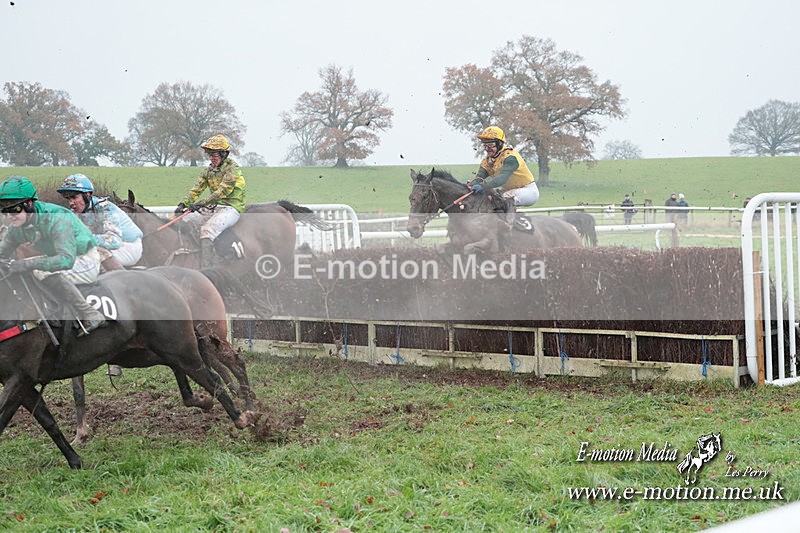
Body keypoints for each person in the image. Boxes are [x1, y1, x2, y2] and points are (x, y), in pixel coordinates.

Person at [0, 176, 106, 335]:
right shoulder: (16, 227)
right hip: (59, 258)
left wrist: (26, 264)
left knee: (36, 269)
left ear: (29, 204)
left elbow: (65, 260)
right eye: (4, 210)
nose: (9, 216)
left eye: (14, 209)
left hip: (83, 259)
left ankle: (91, 313)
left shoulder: (56, 218)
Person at [175, 134, 246, 268]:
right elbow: (197, 189)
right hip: (214, 207)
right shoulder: (208, 171)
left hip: (231, 208)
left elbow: (222, 192)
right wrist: (183, 203)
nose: (211, 158)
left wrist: (203, 203)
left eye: (214, 155)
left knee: (206, 230)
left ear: (223, 154)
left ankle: (207, 268)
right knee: (184, 220)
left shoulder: (233, 169)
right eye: (210, 155)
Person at [57, 173, 143, 271]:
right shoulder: (76, 212)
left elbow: (114, 241)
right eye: (68, 199)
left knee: (92, 253)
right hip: (111, 248)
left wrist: (83, 239)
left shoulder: (106, 208)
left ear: (87, 194)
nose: (71, 203)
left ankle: (124, 279)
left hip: (128, 246)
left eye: (74, 197)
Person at [469, 126, 539, 219]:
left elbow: (502, 178)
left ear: (500, 144)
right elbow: (479, 178)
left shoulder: (510, 157)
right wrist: (468, 186)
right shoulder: (487, 161)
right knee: (489, 199)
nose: (487, 148)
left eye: (490, 145)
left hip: (528, 191)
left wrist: (483, 186)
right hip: (510, 191)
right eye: (485, 145)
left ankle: (508, 225)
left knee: (502, 199)